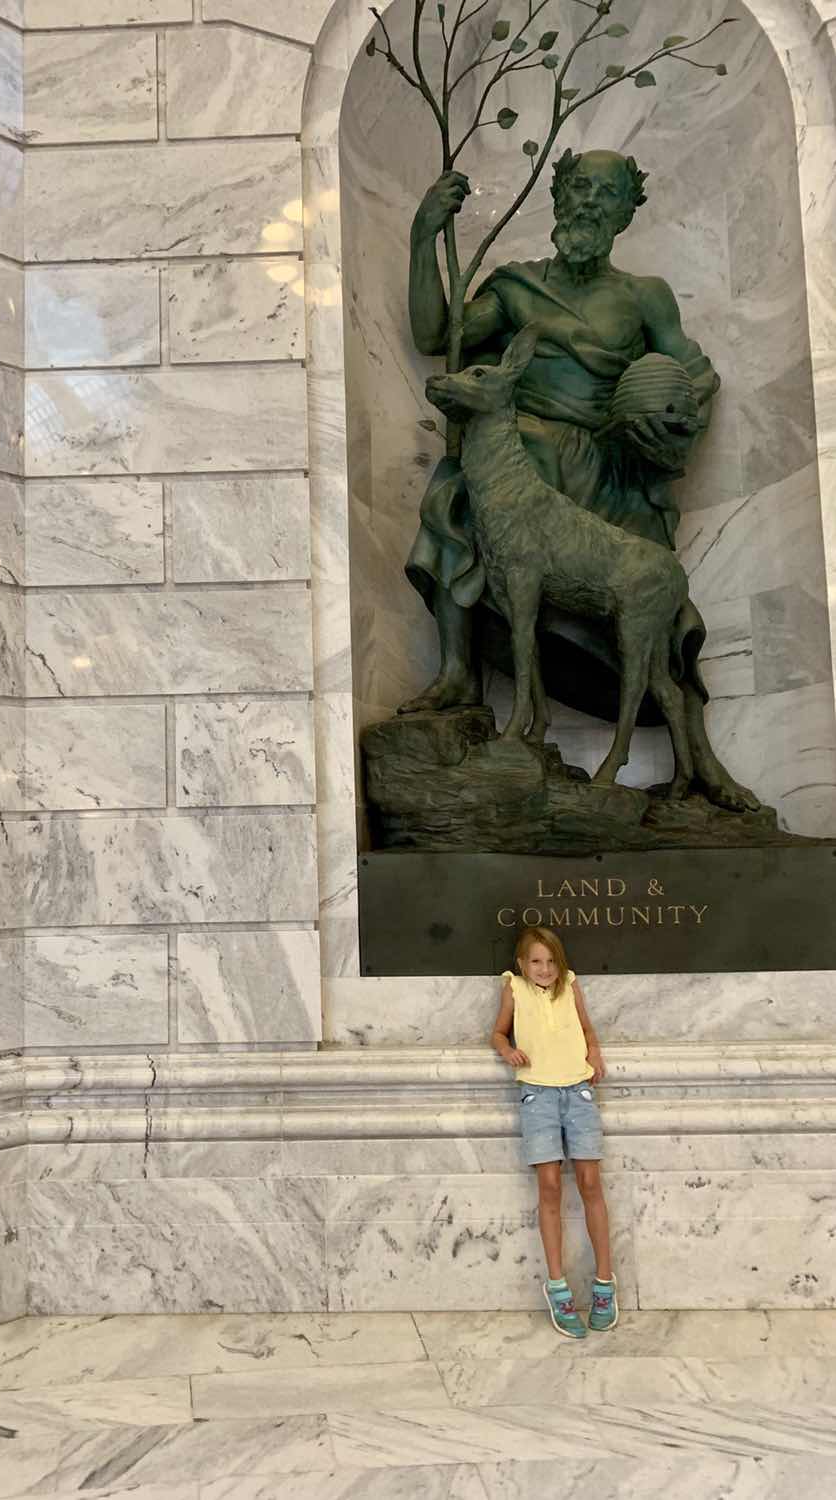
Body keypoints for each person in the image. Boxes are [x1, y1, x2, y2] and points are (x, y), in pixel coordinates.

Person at [402, 147, 758, 814]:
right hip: (520, 459)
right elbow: (436, 335)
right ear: (559, 196)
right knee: (456, 485)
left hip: (609, 470)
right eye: (580, 188)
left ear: (626, 211)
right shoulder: (516, 288)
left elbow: (693, 375)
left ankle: (696, 753)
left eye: (608, 193)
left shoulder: (643, 296)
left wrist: (669, 429)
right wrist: (424, 238)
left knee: (650, 584)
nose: (590, 202)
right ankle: (457, 670)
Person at [491, 925, 617, 1338]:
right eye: (536, 962)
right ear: (522, 964)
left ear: (560, 964)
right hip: (537, 1095)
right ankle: (558, 1287)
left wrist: (594, 1052)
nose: (544, 969)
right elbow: (497, 1032)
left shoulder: (570, 985)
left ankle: (604, 1283)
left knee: (590, 1181)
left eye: (550, 962)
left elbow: (587, 1028)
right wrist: (507, 1050)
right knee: (549, 1185)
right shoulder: (514, 988)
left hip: (578, 1091)